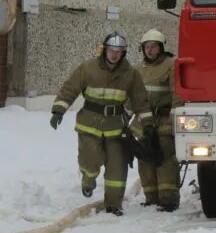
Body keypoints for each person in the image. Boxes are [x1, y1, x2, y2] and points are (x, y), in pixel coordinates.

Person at [50, 32, 153, 216]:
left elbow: (141, 100)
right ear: (104, 50)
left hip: (116, 128)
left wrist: (147, 123)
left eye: (118, 52)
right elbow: (70, 88)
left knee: (117, 168)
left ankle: (114, 204)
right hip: (89, 124)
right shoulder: (88, 68)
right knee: (90, 160)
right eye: (111, 50)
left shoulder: (130, 74)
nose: (114, 55)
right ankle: (88, 180)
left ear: (123, 53)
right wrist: (59, 110)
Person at [131, 29, 181, 212]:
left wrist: (175, 114)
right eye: (146, 47)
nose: (150, 50)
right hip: (144, 123)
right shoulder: (138, 69)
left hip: (164, 122)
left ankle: (168, 200)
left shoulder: (171, 65)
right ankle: (151, 198)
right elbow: (133, 96)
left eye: (153, 46)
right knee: (145, 160)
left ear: (161, 47)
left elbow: (177, 92)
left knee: (165, 160)